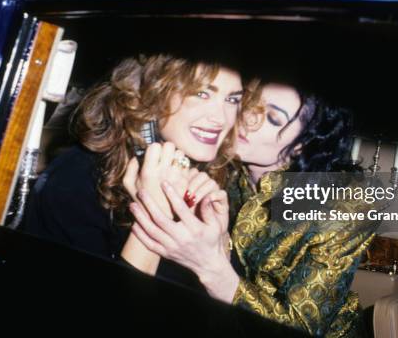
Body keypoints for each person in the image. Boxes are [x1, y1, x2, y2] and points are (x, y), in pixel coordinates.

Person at [129, 79, 379, 337]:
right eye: (247, 102)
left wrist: (210, 266)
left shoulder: (346, 203)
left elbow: (302, 328)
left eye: (272, 118)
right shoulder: (218, 162)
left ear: (304, 142)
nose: (247, 119)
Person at [23, 53, 243, 290]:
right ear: (150, 95)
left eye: (232, 100)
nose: (221, 119)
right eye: (201, 94)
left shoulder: (277, 183)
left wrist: (218, 244)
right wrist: (157, 212)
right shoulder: (74, 180)